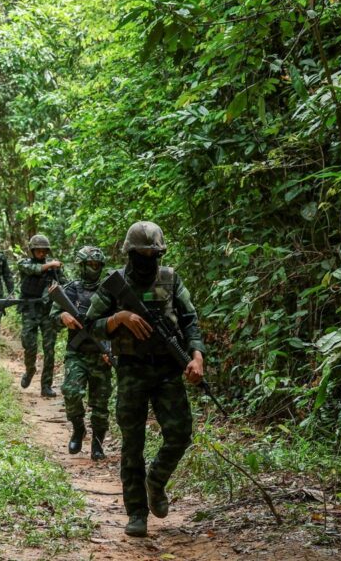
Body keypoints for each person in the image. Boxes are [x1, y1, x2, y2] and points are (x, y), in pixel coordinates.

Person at [82, 221, 205, 538]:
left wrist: (197, 356)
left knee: (180, 433)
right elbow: (90, 325)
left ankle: (156, 481)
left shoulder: (170, 279)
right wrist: (119, 318)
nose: (147, 259)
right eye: (141, 253)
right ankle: (136, 513)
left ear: (160, 253)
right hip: (131, 370)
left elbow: (190, 320)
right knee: (132, 444)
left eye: (153, 253)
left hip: (167, 369)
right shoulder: (115, 284)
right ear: (129, 253)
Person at [52, 246, 112, 459]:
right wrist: (62, 318)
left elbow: (118, 323)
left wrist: (111, 349)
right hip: (76, 352)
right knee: (71, 391)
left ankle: (97, 444)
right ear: (82, 266)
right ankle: (78, 428)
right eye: (90, 264)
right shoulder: (71, 289)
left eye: (97, 265)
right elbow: (53, 316)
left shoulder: (109, 290)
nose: (94, 268)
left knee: (100, 402)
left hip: (101, 353)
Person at [17, 234, 66, 397]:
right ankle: (30, 370)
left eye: (44, 251)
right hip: (30, 310)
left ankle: (46, 385)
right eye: (38, 251)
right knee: (29, 346)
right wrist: (51, 264)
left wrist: (57, 272)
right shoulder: (24, 263)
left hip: (47, 312)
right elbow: (34, 269)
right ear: (32, 251)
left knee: (49, 349)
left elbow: (66, 285)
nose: (42, 254)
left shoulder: (54, 268)